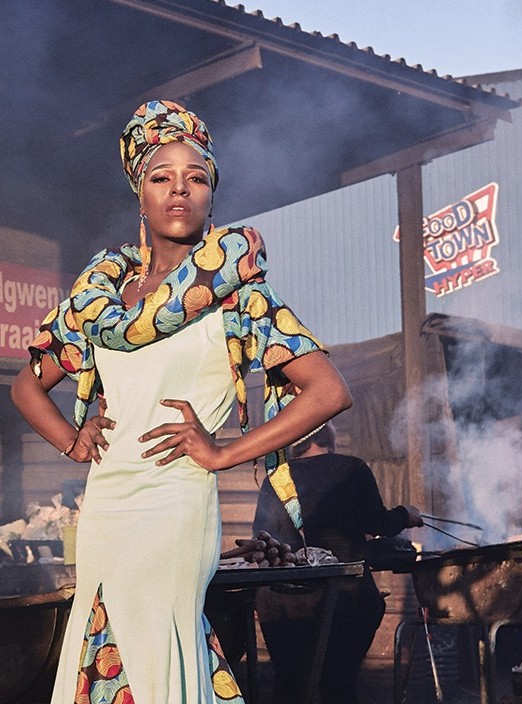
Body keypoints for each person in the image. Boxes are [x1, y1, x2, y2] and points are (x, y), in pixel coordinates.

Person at [10, 99, 352, 703]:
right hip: (108, 505)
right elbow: (26, 384)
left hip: (175, 506)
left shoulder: (239, 298)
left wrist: (224, 452)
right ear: (139, 195)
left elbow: (328, 390)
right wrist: (71, 437)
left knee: (159, 641)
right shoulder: (102, 302)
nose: (179, 191)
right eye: (160, 177)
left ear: (211, 195)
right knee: (108, 639)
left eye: (196, 178)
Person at [252, 421, 424, 704]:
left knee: (289, 685)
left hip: (281, 599)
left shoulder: (276, 479)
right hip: (346, 595)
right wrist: (406, 514)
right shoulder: (353, 469)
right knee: (338, 685)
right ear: (330, 438)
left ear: (296, 443)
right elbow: (378, 522)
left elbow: (262, 537)